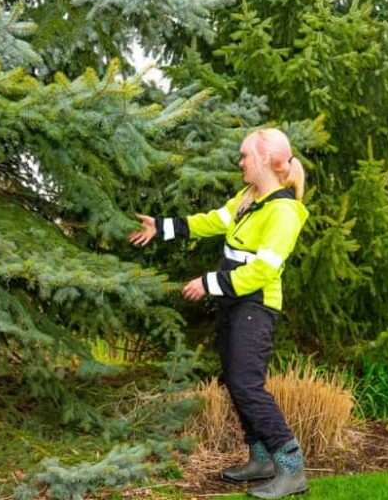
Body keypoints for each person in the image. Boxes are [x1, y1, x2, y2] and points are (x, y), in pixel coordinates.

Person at [129, 128, 310, 498]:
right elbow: (214, 220)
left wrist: (208, 283)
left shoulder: (284, 212)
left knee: (247, 385)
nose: (240, 161)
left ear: (264, 160)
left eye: (245, 155)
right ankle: (260, 459)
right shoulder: (248, 198)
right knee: (235, 382)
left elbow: (262, 271)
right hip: (233, 303)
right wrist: (162, 227)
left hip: (256, 306)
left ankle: (291, 468)